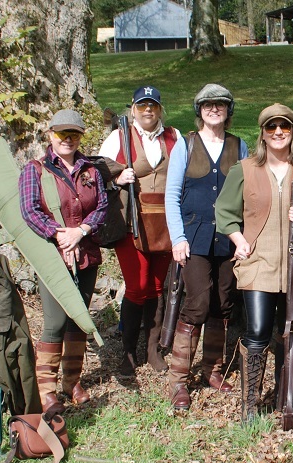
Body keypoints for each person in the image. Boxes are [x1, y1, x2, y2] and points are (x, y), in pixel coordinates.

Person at [215, 103, 293, 421]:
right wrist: (238, 239)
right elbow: (224, 212)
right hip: (259, 262)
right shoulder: (245, 169)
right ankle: (250, 405)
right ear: (262, 134)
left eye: (285, 127)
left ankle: (285, 395)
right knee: (258, 330)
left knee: (290, 330)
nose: (278, 133)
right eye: (271, 127)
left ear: (292, 132)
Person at [163, 84, 249, 410]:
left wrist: (242, 236)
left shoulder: (239, 146)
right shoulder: (185, 145)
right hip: (193, 238)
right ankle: (178, 381)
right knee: (197, 302)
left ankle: (212, 370)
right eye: (208, 104)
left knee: (223, 303)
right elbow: (172, 196)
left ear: (229, 110)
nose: (214, 109)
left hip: (228, 239)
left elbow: (246, 193)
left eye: (221, 104)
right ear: (199, 110)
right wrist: (177, 238)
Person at [20, 109, 107, 415]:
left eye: (74, 134)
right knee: (56, 322)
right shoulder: (35, 170)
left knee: (78, 321)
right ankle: (46, 391)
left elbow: (101, 208)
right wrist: (59, 235)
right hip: (53, 258)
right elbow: (30, 211)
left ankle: (72, 383)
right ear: (50, 135)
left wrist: (81, 231)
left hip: (85, 254)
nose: (68, 139)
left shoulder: (91, 170)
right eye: (62, 134)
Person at [99, 86, 184, 377]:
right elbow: (97, 174)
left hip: (166, 224)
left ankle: (153, 350)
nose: (148, 110)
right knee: (137, 286)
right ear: (133, 109)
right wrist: (118, 177)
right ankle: (128, 354)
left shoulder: (174, 137)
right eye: (142, 105)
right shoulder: (119, 136)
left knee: (158, 287)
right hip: (131, 223)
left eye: (153, 105)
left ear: (160, 109)